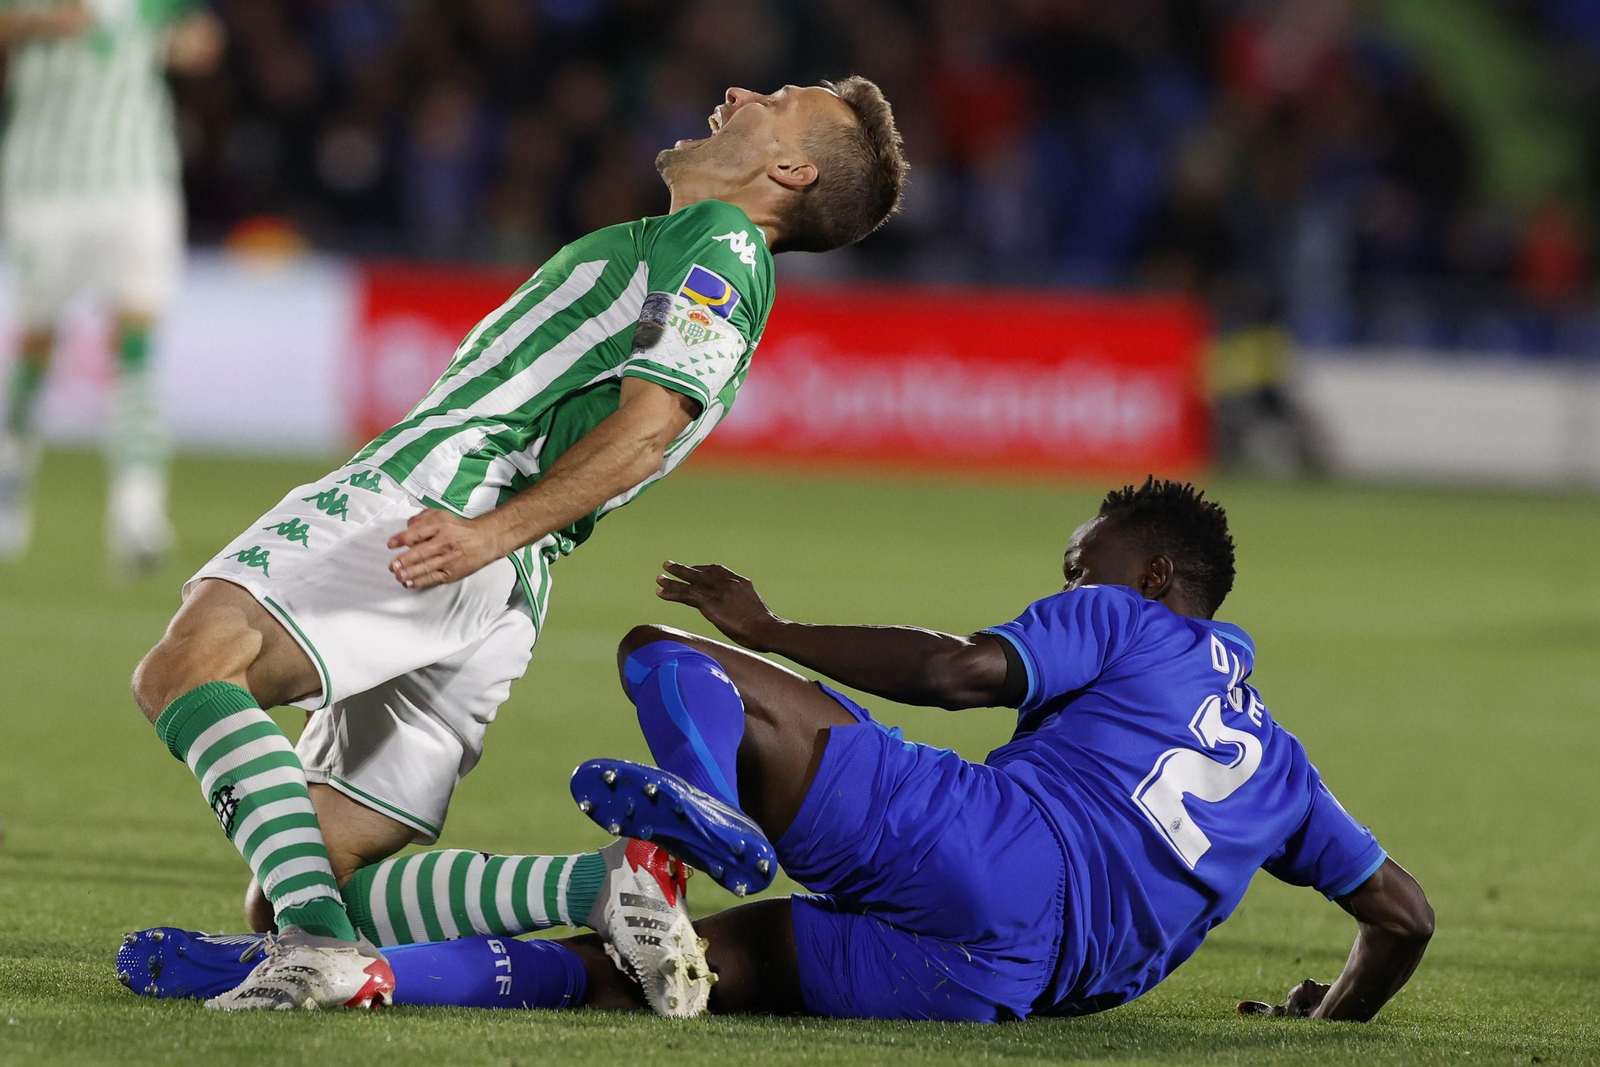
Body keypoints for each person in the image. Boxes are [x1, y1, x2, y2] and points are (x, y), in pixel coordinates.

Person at [125, 78, 908, 1011]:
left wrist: (480, 530)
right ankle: (599, 887)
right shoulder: (695, 251)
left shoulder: (722, 244)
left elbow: (649, 427)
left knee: (191, 664)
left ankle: (322, 952)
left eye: (775, 99)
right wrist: (495, 544)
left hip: (438, 507)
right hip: (506, 583)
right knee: (309, 865)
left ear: (790, 168)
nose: (739, 91)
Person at [124, 478, 1434, 1022]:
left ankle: (699, 805)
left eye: (1077, 556)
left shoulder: (1127, 617)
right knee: (660, 967)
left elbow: (960, 672)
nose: (1065, 572)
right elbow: (1404, 915)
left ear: (1151, 574)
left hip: (994, 846)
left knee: (670, 655)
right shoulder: (1290, 773)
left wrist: (777, 624)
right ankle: (350, 978)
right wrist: (1329, 1007)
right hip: (1022, 986)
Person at [0, 0, 224, 570]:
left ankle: (137, 513)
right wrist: (39, 21)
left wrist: (188, 42)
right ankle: (10, 479)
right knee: (37, 343)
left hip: (137, 184)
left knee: (137, 343)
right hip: (45, 187)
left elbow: (202, 38)